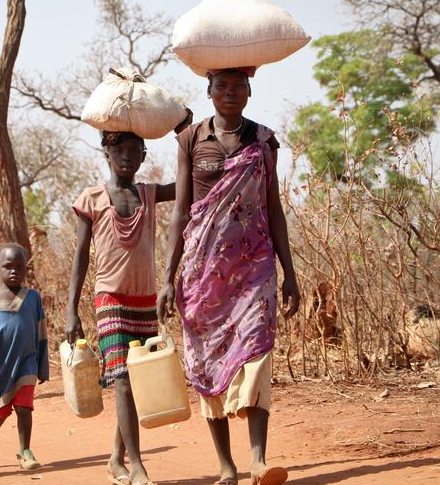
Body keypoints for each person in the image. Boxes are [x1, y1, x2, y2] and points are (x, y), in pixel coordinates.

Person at [157, 68, 301, 485]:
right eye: (222, 86)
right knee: (204, 362)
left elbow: (273, 209)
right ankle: (226, 465)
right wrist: (169, 278)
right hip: (203, 274)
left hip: (255, 265)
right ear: (209, 92)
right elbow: (181, 212)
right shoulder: (191, 139)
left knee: (257, 350)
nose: (230, 93)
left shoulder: (263, 140)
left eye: (239, 86)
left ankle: (258, 459)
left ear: (250, 91)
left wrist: (289, 271)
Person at [65, 129, 183, 485]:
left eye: (135, 150)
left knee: (135, 382)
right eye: (120, 149)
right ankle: (138, 466)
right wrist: (71, 310)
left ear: (144, 156)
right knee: (123, 380)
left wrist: (184, 135)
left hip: (144, 300)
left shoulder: (148, 193)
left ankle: (116, 458)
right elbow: (81, 257)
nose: (127, 156)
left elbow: (186, 182)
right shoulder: (92, 198)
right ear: (107, 152)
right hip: (110, 299)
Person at [0, 244, 49, 471]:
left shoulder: (33, 298)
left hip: (26, 362)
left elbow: (41, 333)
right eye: (8, 267)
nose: (14, 272)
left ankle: (25, 450)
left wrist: (42, 366)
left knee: (24, 407)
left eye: (20, 267)